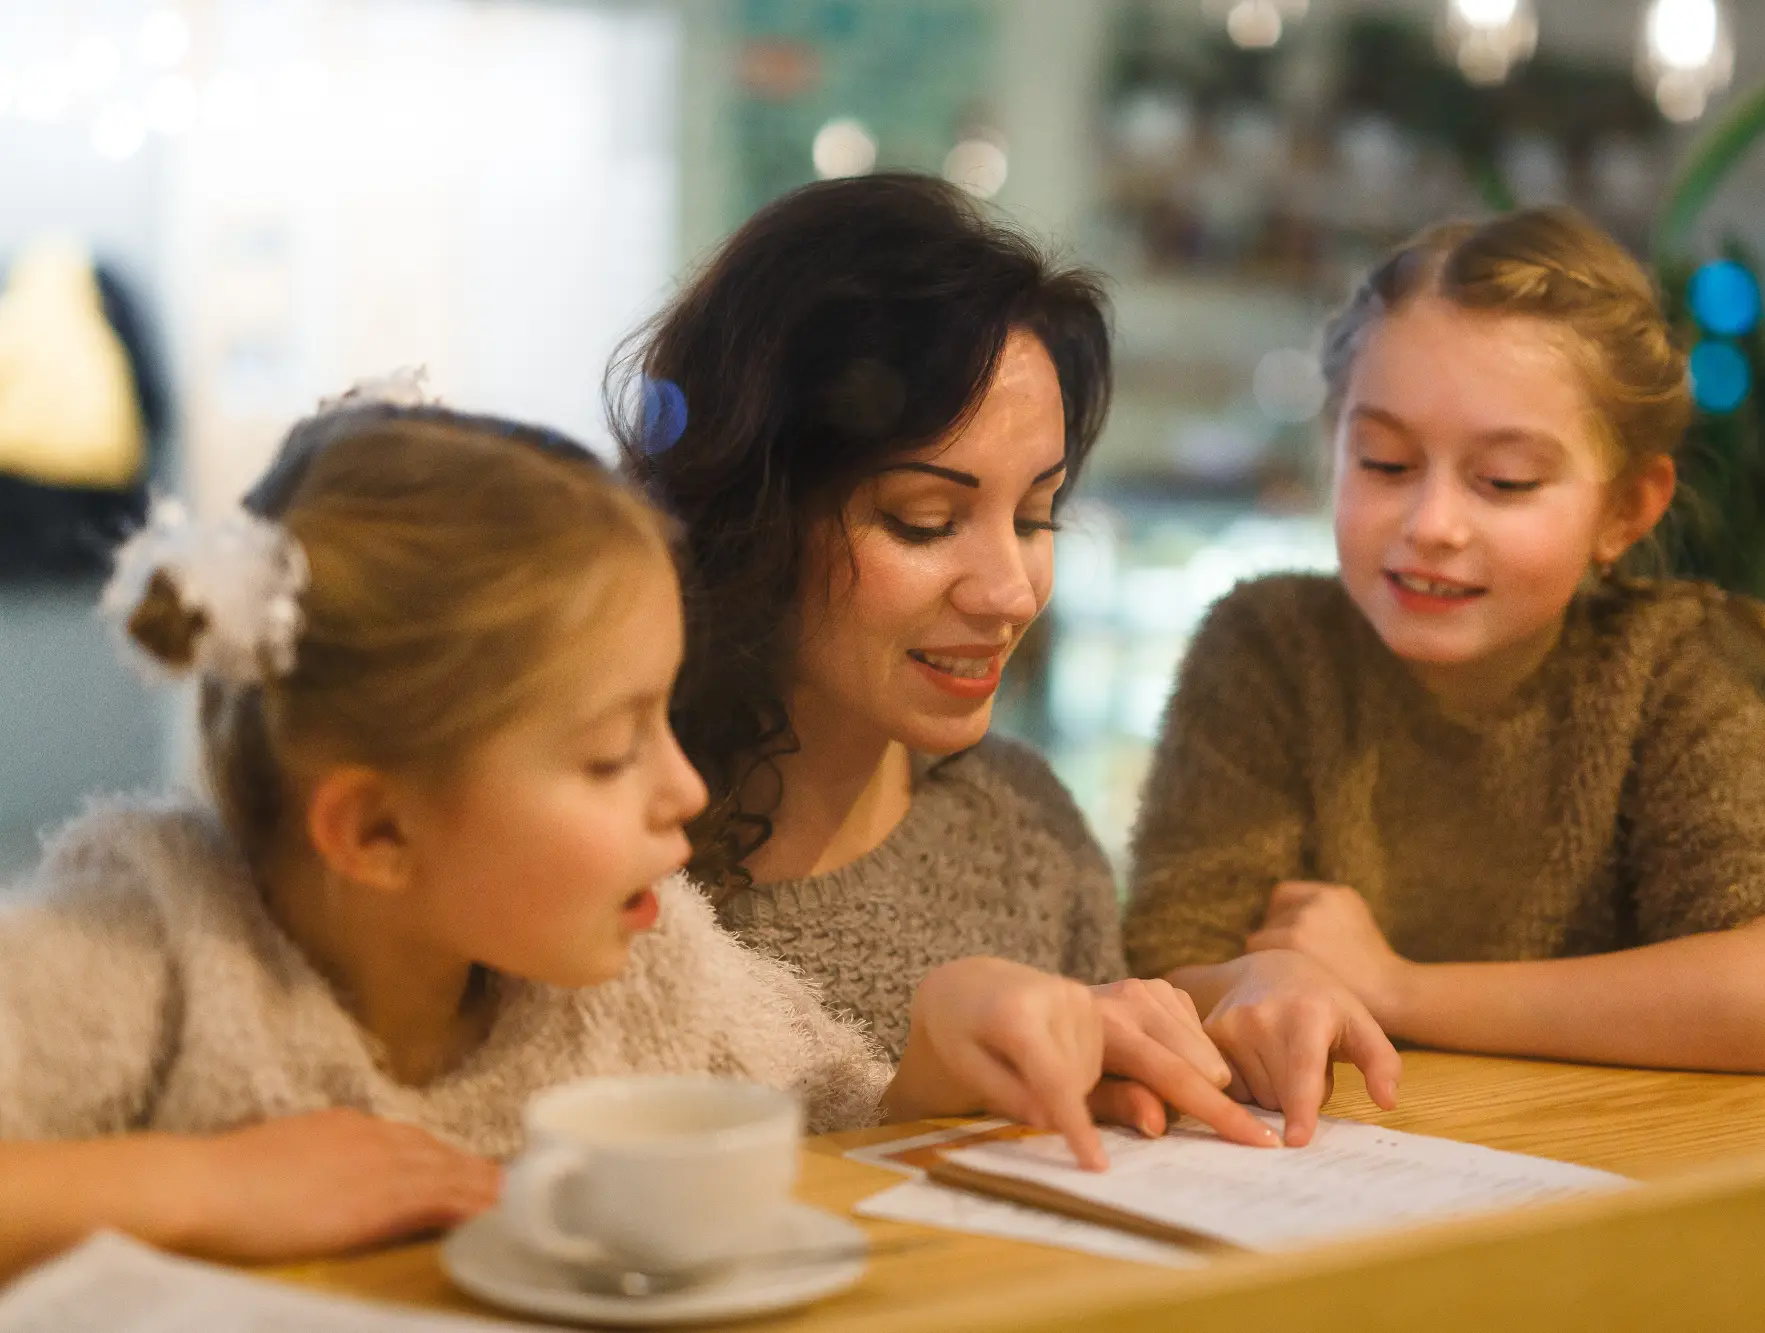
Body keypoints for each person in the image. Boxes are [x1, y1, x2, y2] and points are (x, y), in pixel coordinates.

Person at [0, 382, 1188, 1282]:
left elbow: (845, 1124)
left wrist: (947, 1049)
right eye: (611, 753)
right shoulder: (152, 930)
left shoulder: (645, 960)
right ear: (373, 830)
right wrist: (203, 1184)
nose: (681, 790)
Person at [620, 173, 1399, 1146]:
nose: (1011, 590)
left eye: (1036, 515)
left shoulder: (1023, 828)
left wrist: (1235, 992)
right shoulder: (619, 863)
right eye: (924, 520)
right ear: (754, 514)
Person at [1123, 207, 1765, 1077]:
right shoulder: (1270, 647)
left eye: (1504, 480)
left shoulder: (1665, 672)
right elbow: (1165, 967)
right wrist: (1262, 975)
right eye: (1384, 463)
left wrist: (1398, 987)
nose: (1432, 524)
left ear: (1626, 508)